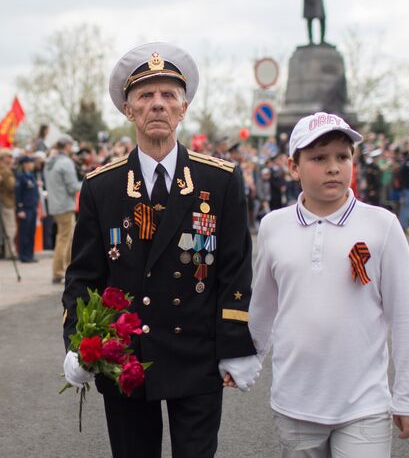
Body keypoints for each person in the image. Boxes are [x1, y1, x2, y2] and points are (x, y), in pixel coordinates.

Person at [62, 42, 261, 458]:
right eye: (146, 95)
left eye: (168, 95)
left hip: (196, 353)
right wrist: (79, 343)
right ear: (129, 109)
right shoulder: (102, 186)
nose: (158, 104)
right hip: (126, 360)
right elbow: (84, 276)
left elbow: (234, 271)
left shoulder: (219, 180)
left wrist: (235, 345)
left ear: (183, 108)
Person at [249, 112, 409, 457]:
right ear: (293, 166)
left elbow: (405, 315)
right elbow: (263, 309)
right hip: (295, 402)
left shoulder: (382, 226)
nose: (333, 167)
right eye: (318, 158)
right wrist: (246, 361)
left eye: (343, 157)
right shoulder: (273, 227)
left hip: (364, 405)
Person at [44, 135, 81, 283]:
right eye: (71, 146)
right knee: (64, 239)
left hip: (55, 205)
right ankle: (59, 272)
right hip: (65, 205)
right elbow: (73, 187)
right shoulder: (65, 162)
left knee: (63, 238)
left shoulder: (50, 162)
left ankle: (64, 268)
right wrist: (89, 182)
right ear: (66, 146)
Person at [15, 156, 39, 263]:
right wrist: (19, 209)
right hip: (25, 208)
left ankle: (30, 254)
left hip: (32, 207)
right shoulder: (21, 177)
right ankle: (23, 255)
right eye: (30, 163)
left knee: (31, 232)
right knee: (24, 233)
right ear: (25, 164)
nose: (32, 165)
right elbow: (18, 194)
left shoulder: (32, 176)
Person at [0, 149, 18, 259]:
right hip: (6, 202)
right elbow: (12, 186)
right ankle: (10, 252)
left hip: (5, 202)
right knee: (10, 228)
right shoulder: (5, 171)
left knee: (8, 229)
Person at [398, 151, 409, 232]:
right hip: (407, 189)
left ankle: (403, 226)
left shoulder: (403, 165)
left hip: (406, 189)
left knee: (404, 208)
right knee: (406, 208)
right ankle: (404, 227)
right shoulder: (406, 165)